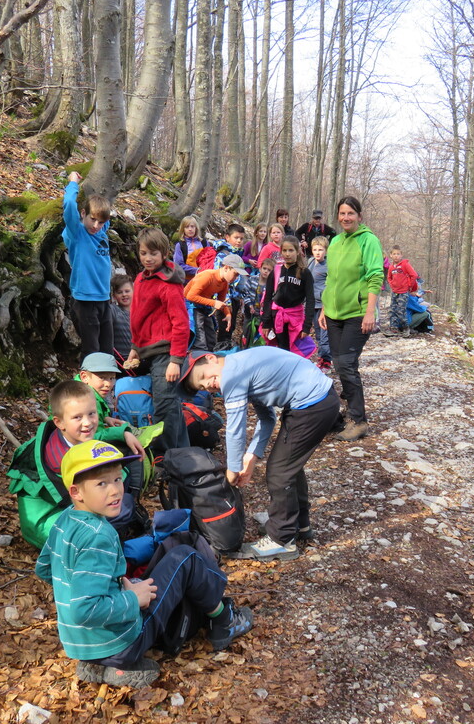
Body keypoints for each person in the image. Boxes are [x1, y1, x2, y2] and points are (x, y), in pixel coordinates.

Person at [36, 440, 253, 688]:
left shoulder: (65, 519)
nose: (115, 490)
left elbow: (44, 569)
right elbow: (84, 610)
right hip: (122, 642)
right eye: (102, 484)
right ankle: (225, 620)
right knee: (185, 557)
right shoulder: (99, 535)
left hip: (80, 643)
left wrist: (109, 589)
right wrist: (132, 598)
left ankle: (99, 664)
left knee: (163, 565)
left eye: (117, 479)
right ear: (76, 492)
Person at [180, 347, 340, 561]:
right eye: (202, 387)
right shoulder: (242, 366)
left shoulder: (232, 374)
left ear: (211, 358)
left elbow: (236, 429)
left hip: (313, 404)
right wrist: (252, 456)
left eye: (203, 377)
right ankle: (299, 526)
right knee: (289, 467)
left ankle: (282, 540)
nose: (208, 385)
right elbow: (267, 418)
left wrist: (233, 468)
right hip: (317, 401)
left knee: (279, 472)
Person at [7, 379, 140, 549]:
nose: (88, 422)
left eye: (91, 413)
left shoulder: (68, 435)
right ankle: (98, 548)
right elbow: (73, 497)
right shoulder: (57, 457)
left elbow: (96, 438)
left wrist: (123, 434)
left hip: (63, 509)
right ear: (59, 422)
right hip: (47, 526)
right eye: (78, 417)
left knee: (120, 478)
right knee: (123, 506)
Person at [318, 195, 384, 442]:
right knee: (340, 364)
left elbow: (375, 276)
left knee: (346, 364)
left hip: (358, 313)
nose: (346, 218)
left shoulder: (368, 240)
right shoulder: (335, 242)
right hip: (334, 314)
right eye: (342, 213)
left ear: (359, 216)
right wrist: (324, 307)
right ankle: (349, 412)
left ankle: (359, 421)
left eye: (350, 213)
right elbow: (331, 278)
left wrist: (370, 312)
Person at [126, 227, 189, 452]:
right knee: (169, 403)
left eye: (153, 253)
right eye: (143, 253)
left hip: (166, 353)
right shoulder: (141, 279)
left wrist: (176, 360)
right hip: (147, 349)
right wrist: (135, 346)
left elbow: (181, 323)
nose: (148, 258)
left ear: (164, 253)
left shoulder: (168, 283)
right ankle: (182, 451)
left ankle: (167, 455)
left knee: (164, 404)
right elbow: (138, 316)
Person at [75, 353, 147, 499]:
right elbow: (87, 437)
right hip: (78, 454)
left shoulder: (83, 391)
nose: (108, 384)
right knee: (129, 452)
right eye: (102, 377)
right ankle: (129, 496)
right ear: (85, 377)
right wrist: (122, 433)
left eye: (112, 378)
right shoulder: (83, 399)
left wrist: (104, 419)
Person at [63, 171, 114, 361]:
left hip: (104, 299)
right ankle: (87, 379)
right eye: (93, 219)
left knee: (107, 350)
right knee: (92, 350)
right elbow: (69, 205)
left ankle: (107, 380)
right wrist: (73, 183)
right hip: (85, 300)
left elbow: (105, 210)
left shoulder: (101, 231)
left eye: (101, 222)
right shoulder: (77, 233)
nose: (96, 225)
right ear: (83, 214)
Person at [262, 236, 314, 356]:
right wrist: (266, 322)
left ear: (298, 251)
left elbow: (310, 299)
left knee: (295, 351)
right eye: (284, 250)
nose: (287, 254)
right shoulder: (276, 271)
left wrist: (307, 325)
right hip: (277, 316)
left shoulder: (304, 273)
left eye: (291, 250)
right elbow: (268, 297)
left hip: (295, 318)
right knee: (281, 349)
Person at [183, 254, 248, 351]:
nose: (235, 278)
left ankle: (210, 353)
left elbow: (221, 302)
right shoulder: (208, 276)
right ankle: (198, 355)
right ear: (226, 268)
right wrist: (214, 303)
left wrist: (228, 314)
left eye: (238, 275)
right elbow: (190, 296)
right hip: (190, 307)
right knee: (199, 338)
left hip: (204, 307)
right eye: (235, 274)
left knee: (211, 337)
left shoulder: (224, 283)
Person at [213, 224, 249, 349]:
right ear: (227, 237)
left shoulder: (238, 254)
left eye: (241, 238)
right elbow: (220, 279)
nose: (239, 241)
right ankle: (220, 350)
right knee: (224, 326)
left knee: (231, 326)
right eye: (236, 238)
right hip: (224, 297)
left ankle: (227, 348)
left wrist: (241, 296)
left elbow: (240, 278)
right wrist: (225, 300)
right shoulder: (222, 255)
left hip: (235, 297)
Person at [307, 236, 332, 370]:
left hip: (324, 304)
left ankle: (326, 360)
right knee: (317, 333)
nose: (318, 252)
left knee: (324, 333)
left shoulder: (328, 265)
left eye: (321, 250)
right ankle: (321, 357)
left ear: (326, 251)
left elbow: (330, 285)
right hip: (312, 303)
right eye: (315, 249)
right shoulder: (310, 262)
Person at [386, 245, 420, 337]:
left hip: (403, 292)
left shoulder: (405, 265)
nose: (396, 256)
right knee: (392, 310)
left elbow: (414, 275)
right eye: (394, 254)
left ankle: (405, 328)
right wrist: (392, 284)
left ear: (401, 255)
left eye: (398, 254)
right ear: (391, 255)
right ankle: (393, 329)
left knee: (401, 311)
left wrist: (409, 286)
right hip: (394, 292)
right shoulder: (391, 267)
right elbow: (389, 277)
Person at [173, 216, 209, 282]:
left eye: (192, 226)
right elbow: (178, 265)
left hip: (204, 279)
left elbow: (210, 259)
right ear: (183, 229)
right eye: (187, 227)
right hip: (187, 281)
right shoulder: (180, 245)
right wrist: (196, 270)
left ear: (196, 228)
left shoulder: (204, 243)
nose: (190, 229)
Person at [109, 273, 134, 369]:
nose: (124, 295)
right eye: (119, 292)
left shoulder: (141, 313)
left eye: (127, 291)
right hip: (121, 361)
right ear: (114, 296)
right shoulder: (113, 310)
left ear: (134, 291)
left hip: (139, 358)